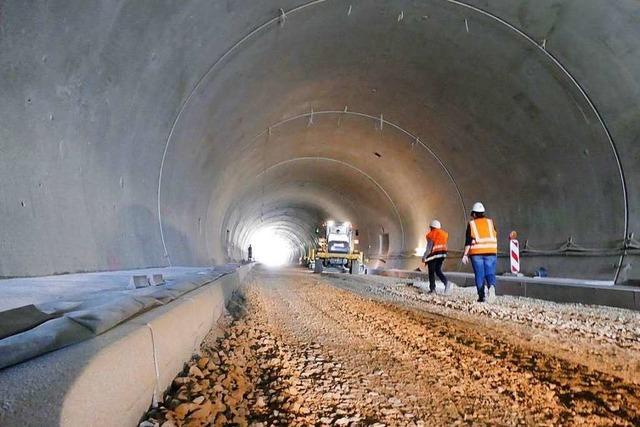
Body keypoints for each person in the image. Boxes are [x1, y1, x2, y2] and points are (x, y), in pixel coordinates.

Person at [462, 202, 498, 302]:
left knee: (479, 274)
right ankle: (492, 287)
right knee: (490, 273)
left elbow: (468, 241)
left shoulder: (472, 224)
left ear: (474, 214)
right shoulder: (490, 222)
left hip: (477, 252)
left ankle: (482, 297)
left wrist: (465, 254)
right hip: (491, 251)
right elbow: (494, 234)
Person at [421, 220, 450, 294]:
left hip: (434, 255)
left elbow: (429, 248)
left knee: (431, 271)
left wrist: (424, 257)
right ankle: (446, 282)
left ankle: (432, 289)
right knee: (438, 270)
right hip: (442, 254)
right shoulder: (443, 234)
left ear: (431, 227)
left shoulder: (431, 234)